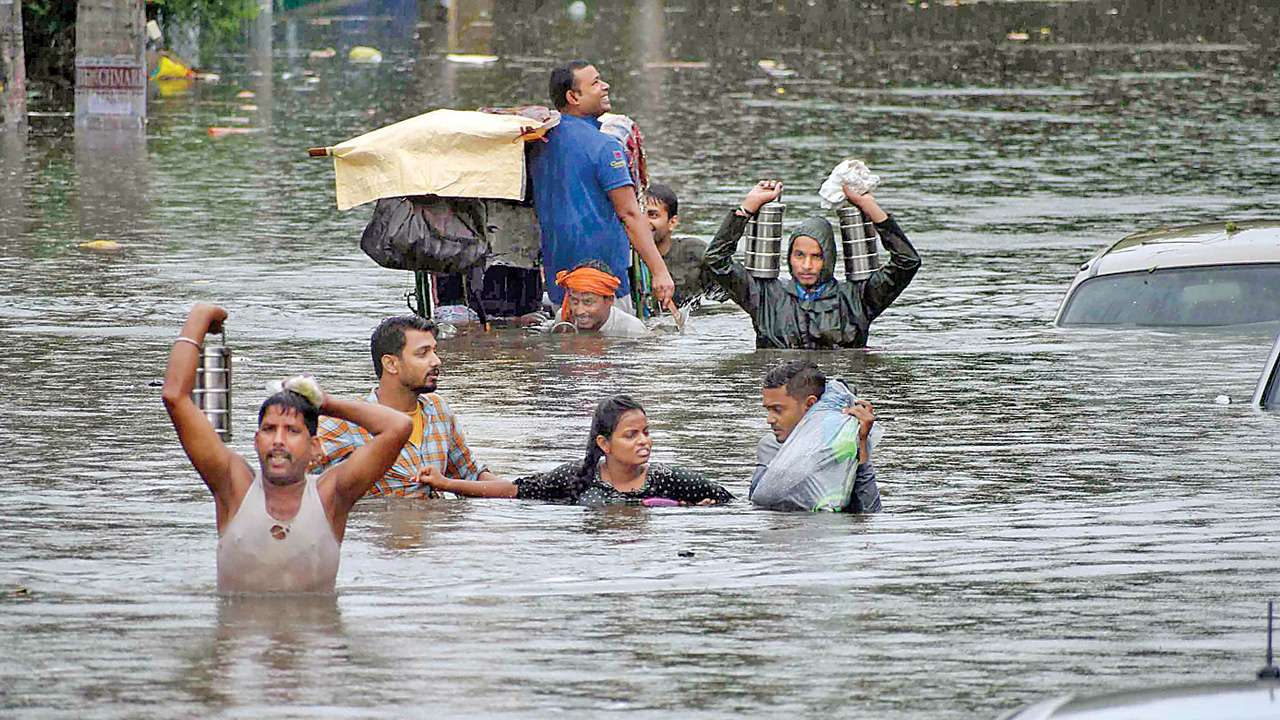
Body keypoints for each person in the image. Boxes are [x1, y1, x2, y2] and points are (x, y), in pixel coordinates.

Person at [161, 303, 413, 593]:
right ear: (256, 441)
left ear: (315, 448)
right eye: (269, 430)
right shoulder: (233, 487)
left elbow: (398, 427)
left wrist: (326, 402)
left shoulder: (332, 495)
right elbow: (174, 397)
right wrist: (200, 316)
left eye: (292, 431)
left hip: (316, 637)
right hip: (242, 637)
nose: (278, 440)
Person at [703, 180, 921, 348]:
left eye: (816, 256)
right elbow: (716, 260)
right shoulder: (764, 295)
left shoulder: (858, 298)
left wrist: (870, 207)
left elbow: (907, 262)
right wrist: (747, 209)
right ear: (788, 257)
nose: (806, 265)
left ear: (829, 259)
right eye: (799, 255)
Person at [529, 60, 674, 312]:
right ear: (573, 96)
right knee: (613, 350)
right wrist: (659, 271)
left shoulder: (538, 142)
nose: (605, 86)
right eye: (595, 83)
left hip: (560, 282)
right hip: (605, 283)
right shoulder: (606, 146)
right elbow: (629, 214)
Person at [421, 395, 733, 506]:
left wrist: (697, 512)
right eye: (631, 435)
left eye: (646, 433)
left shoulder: (667, 480)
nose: (644, 442)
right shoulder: (576, 478)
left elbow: (727, 501)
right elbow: (515, 490)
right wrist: (447, 484)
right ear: (604, 444)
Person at [313, 315, 499, 497]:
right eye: (423, 353)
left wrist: (519, 490)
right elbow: (295, 481)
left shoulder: (438, 410)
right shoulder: (347, 423)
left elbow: (470, 475)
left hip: (436, 525)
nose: (436, 361)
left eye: (434, 351)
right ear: (391, 364)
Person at [751, 360, 881, 513]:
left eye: (777, 410)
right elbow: (756, 504)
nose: (769, 419)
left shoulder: (837, 448)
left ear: (810, 404)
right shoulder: (771, 447)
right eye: (768, 410)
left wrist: (863, 442)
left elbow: (869, 513)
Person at [644, 183, 722, 309]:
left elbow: (727, 295)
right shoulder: (628, 260)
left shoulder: (694, 253)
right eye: (639, 214)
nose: (644, 222)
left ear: (672, 222)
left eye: (653, 215)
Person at [548, 259, 650, 338]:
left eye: (587, 302)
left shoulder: (632, 330)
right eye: (574, 301)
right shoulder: (564, 319)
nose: (579, 311)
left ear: (609, 300)